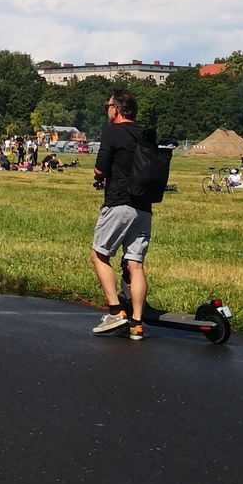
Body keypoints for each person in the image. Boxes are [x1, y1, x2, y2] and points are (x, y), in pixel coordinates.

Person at [90, 89, 152, 340]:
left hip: (119, 203)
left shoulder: (113, 132)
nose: (107, 110)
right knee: (135, 264)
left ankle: (116, 311)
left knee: (98, 254)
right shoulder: (145, 134)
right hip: (144, 206)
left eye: (108, 106)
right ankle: (137, 324)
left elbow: (99, 169)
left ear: (116, 109)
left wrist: (101, 175)